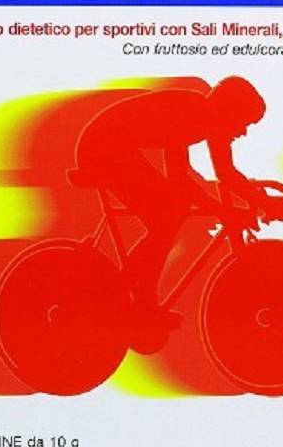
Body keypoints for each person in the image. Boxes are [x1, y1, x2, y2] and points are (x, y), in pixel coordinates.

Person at [70, 76, 270, 330]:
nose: (243, 132)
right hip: (102, 148)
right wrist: (222, 210)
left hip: (113, 145)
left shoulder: (212, 120)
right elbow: (180, 182)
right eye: (243, 122)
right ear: (228, 111)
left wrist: (264, 201)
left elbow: (226, 173)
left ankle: (133, 294)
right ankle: (133, 297)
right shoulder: (190, 112)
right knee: (166, 215)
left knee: (171, 210)